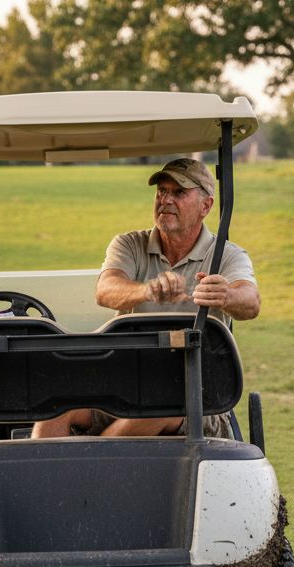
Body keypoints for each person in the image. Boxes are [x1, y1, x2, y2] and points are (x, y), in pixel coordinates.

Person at [32, 158, 260, 438]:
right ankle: (56, 468)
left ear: (206, 206)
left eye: (179, 192)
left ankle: (94, 462)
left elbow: (251, 301)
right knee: (54, 408)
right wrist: (146, 290)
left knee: (164, 404)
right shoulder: (129, 244)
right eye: (162, 191)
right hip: (128, 387)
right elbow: (105, 290)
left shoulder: (227, 254)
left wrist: (226, 295)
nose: (166, 200)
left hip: (199, 399)